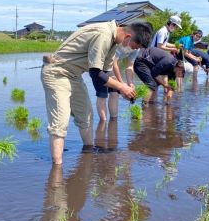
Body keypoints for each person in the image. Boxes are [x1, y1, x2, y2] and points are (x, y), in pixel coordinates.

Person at [41, 21, 153, 165]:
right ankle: (56, 173)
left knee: (86, 114)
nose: (131, 49)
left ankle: (88, 154)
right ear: (128, 36)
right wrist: (122, 87)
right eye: (133, 46)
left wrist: (121, 89)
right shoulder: (104, 35)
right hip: (57, 72)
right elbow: (96, 74)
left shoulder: (114, 42)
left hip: (74, 75)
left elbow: (105, 73)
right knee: (60, 122)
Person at [94, 44, 140, 121]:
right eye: (137, 46)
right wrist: (122, 84)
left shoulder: (137, 49)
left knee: (115, 93)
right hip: (100, 66)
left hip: (110, 67)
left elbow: (130, 66)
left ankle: (113, 121)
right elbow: (114, 63)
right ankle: (103, 123)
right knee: (102, 95)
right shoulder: (122, 43)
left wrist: (130, 83)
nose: (137, 48)